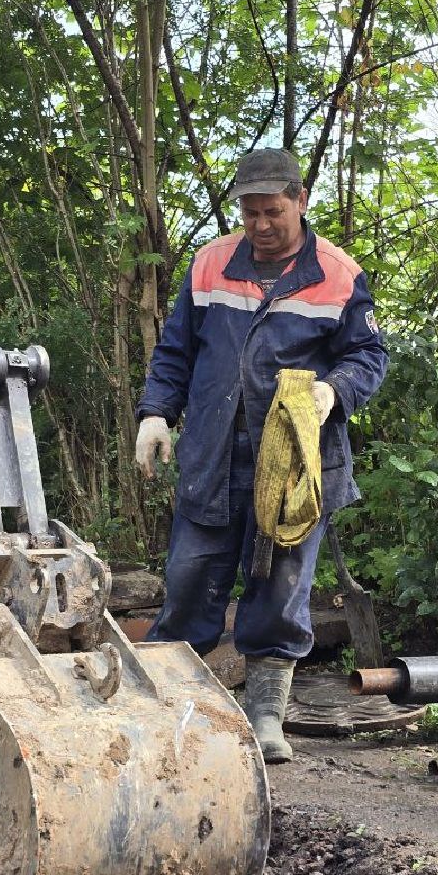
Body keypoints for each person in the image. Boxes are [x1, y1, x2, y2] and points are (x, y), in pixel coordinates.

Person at [134, 147, 388, 764]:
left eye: (273, 211)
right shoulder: (210, 264)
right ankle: (171, 707)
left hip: (297, 461)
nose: (261, 224)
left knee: (280, 589)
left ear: (301, 200)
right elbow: (176, 350)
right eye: (250, 213)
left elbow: (369, 356)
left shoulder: (338, 274)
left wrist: (334, 391)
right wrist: (155, 413)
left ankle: (266, 713)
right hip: (213, 453)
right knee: (190, 579)